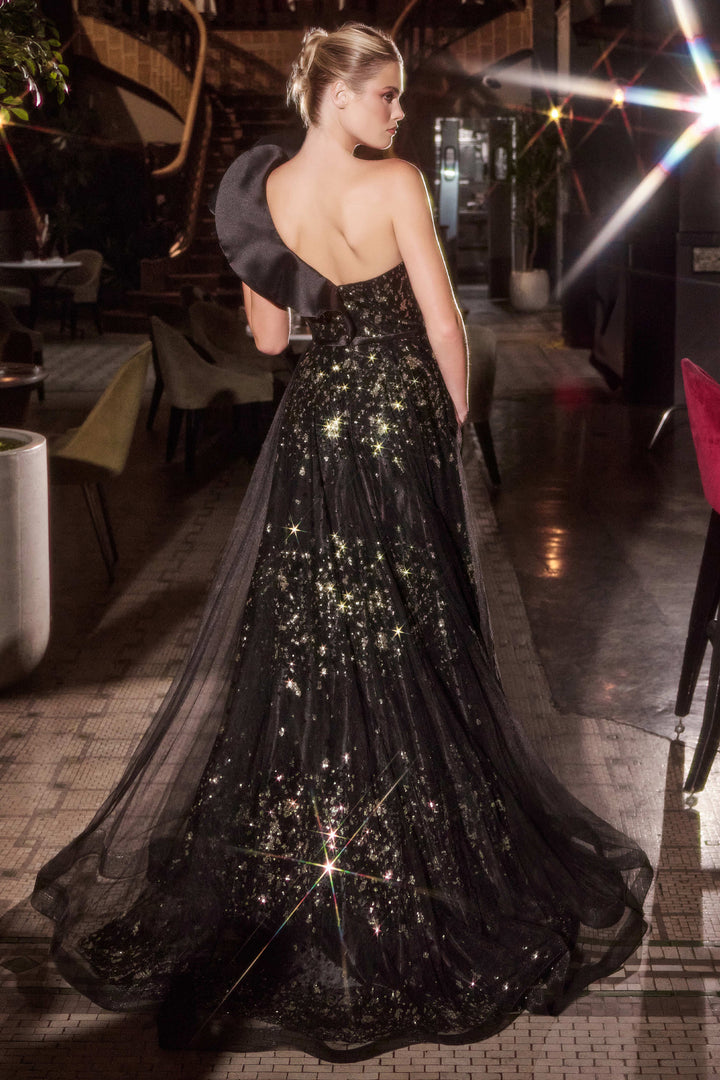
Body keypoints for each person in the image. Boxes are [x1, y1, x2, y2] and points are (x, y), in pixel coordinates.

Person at [31, 23, 651, 1063]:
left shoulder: (259, 194)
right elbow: (445, 325)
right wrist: (455, 427)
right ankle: (404, 845)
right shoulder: (399, 183)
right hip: (397, 420)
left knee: (312, 632)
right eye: (386, 96)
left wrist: (292, 273)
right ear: (335, 98)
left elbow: (271, 339)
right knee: (410, 625)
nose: (400, 113)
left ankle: (312, 846)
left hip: (316, 425)